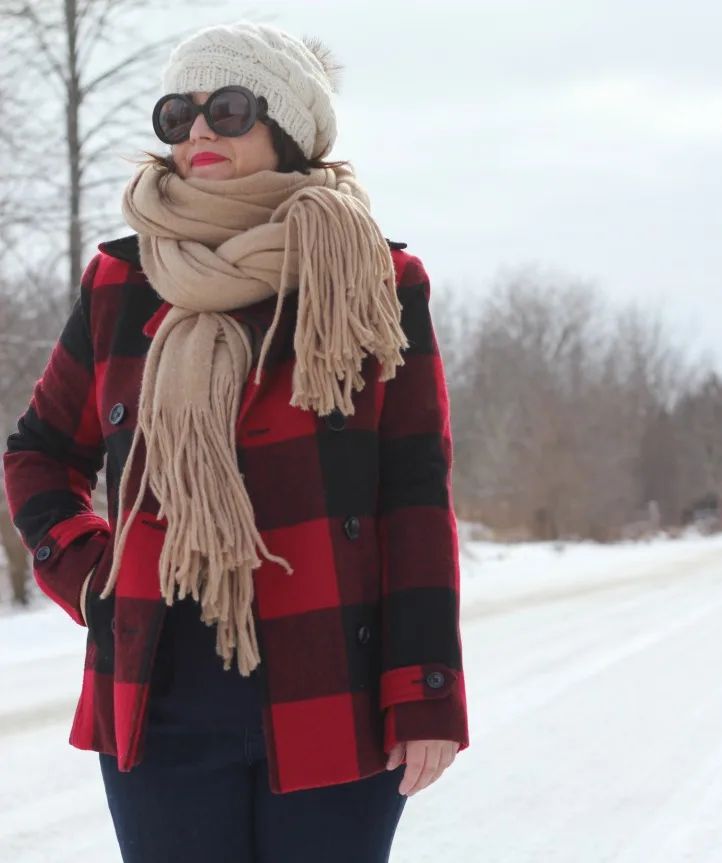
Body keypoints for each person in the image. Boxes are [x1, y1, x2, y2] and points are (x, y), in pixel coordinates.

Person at [3, 20, 468, 863]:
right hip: (158, 698)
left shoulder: (375, 280)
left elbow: (415, 496)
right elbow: (37, 450)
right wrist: (90, 577)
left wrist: (428, 689)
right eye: (176, 115)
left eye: (227, 107)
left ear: (287, 128)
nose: (199, 131)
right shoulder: (122, 282)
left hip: (337, 691)